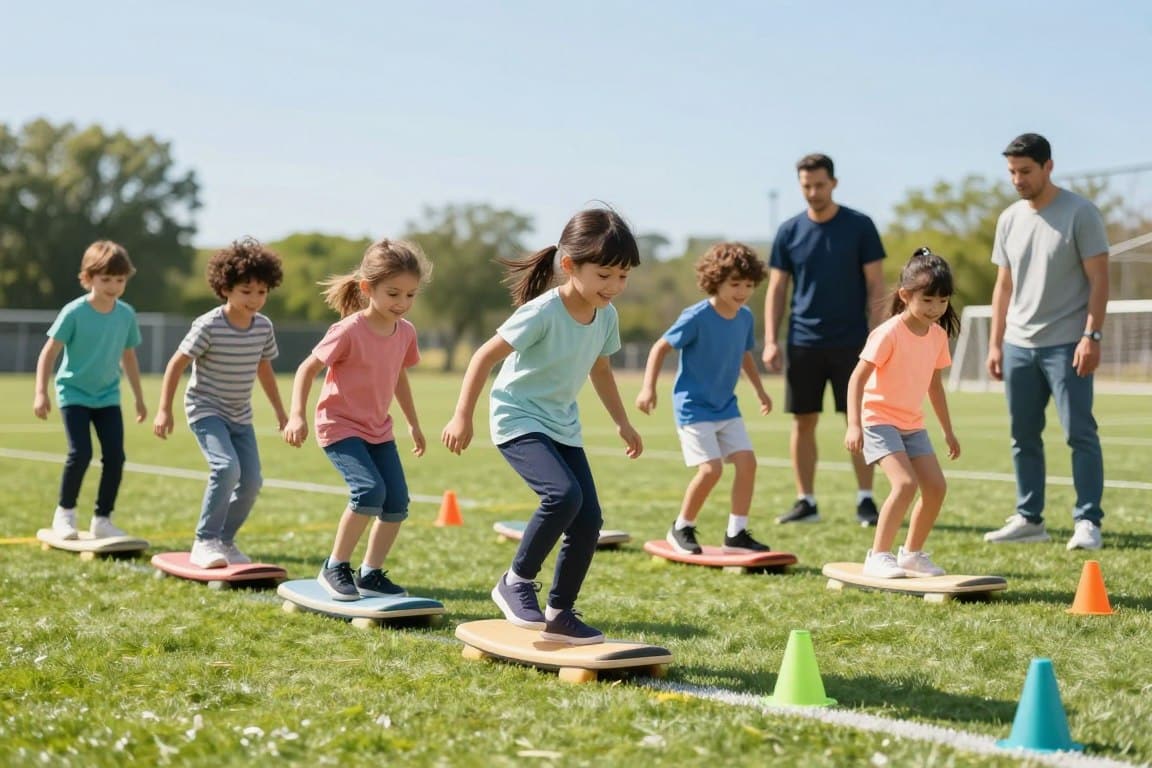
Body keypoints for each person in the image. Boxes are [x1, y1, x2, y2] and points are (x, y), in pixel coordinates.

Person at [442, 208, 643, 645]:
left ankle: (560, 612)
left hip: (562, 424)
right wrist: (462, 415)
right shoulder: (544, 312)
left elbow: (602, 371)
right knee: (563, 495)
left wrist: (623, 423)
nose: (614, 287)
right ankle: (515, 580)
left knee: (588, 519)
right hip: (517, 417)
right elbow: (482, 357)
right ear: (570, 266)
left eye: (622, 276)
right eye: (605, 274)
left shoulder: (605, 316)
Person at [983, 133, 1110, 551]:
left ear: (1048, 167)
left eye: (1025, 171)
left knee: (1079, 433)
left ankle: (1088, 520)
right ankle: (1029, 517)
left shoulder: (1081, 213)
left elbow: (1099, 279)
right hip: (1019, 344)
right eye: (1012, 173)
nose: (1018, 180)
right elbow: (1003, 285)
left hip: (1067, 343)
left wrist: (1091, 335)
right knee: (1023, 436)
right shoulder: (1008, 219)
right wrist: (996, 343)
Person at [283, 239, 429, 600]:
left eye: (410, 295)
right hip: (340, 425)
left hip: (379, 429)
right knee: (368, 492)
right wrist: (296, 416)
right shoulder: (349, 330)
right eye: (393, 293)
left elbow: (398, 376)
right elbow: (307, 368)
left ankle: (371, 573)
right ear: (368, 288)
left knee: (396, 503)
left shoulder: (405, 332)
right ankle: (334, 566)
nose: (402, 303)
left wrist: (413, 423)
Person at [763, 153, 888, 526]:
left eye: (819, 184)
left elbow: (877, 285)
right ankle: (806, 502)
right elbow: (777, 288)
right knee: (803, 422)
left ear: (833, 183)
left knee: (859, 420)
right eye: (806, 186)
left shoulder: (860, 226)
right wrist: (771, 339)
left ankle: (866, 500)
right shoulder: (788, 231)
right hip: (803, 340)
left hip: (853, 342)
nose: (813, 192)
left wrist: (876, 337)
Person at [153, 237, 288, 568]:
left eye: (261, 292)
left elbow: (264, 369)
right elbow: (177, 364)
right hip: (206, 409)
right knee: (226, 467)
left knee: (253, 480)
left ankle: (224, 541)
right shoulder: (209, 324)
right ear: (225, 288)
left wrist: (281, 412)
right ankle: (205, 540)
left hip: (240, 415)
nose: (255, 299)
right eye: (246, 291)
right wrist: (164, 409)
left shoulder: (263, 327)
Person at [636, 241, 774, 555]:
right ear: (716, 281)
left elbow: (745, 355)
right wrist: (648, 388)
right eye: (735, 284)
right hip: (693, 406)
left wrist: (760, 390)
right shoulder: (697, 316)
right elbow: (660, 347)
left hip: (726, 405)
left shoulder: (745, 317)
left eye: (749, 285)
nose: (742, 291)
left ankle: (736, 534)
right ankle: (681, 527)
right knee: (711, 469)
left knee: (747, 463)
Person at [844, 248, 961, 578]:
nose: (935, 309)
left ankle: (910, 555)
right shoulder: (888, 333)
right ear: (905, 295)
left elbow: (934, 387)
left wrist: (948, 432)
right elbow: (857, 379)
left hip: (912, 424)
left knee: (936, 488)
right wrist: (854, 425)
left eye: (942, 301)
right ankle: (878, 555)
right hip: (878, 421)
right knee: (905, 484)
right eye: (927, 300)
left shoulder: (938, 336)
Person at [32, 240, 147, 540]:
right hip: (74, 394)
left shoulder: (126, 314)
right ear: (88, 278)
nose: (113, 285)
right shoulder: (74, 312)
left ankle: (102, 519)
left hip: (108, 396)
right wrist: (41, 392)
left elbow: (129, 356)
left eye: (119, 280)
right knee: (80, 452)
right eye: (105, 279)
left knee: (116, 457)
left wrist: (138, 397)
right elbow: (49, 352)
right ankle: (65, 514)